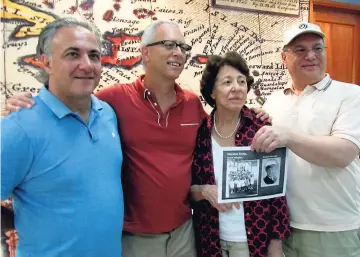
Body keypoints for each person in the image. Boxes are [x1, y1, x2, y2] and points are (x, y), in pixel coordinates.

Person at [5, 20, 270, 257]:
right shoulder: (112, 101)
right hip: (134, 238)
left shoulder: (186, 104)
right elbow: (66, 97)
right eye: (168, 44)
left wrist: (253, 113)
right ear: (145, 52)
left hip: (184, 232)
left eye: (182, 46)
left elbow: (217, 128)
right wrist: (26, 103)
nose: (178, 52)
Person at [1, 18, 124, 257]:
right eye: (72, 54)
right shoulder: (18, 127)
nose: (86, 65)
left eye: (94, 56)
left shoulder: (107, 114)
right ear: (46, 63)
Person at [251, 22, 360, 257]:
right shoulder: (273, 101)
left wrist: (287, 136)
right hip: (283, 229)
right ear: (284, 57)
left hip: (333, 229)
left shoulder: (351, 95)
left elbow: (343, 153)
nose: (311, 56)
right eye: (300, 50)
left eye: (317, 48)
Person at [191, 52, 290, 257]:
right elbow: (189, 188)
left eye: (241, 81)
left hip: (254, 241)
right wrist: (204, 191)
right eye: (227, 82)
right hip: (210, 239)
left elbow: (277, 193)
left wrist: (276, 243)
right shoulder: (201, 133)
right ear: (212, 92)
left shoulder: (261, 128)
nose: (236, 88)